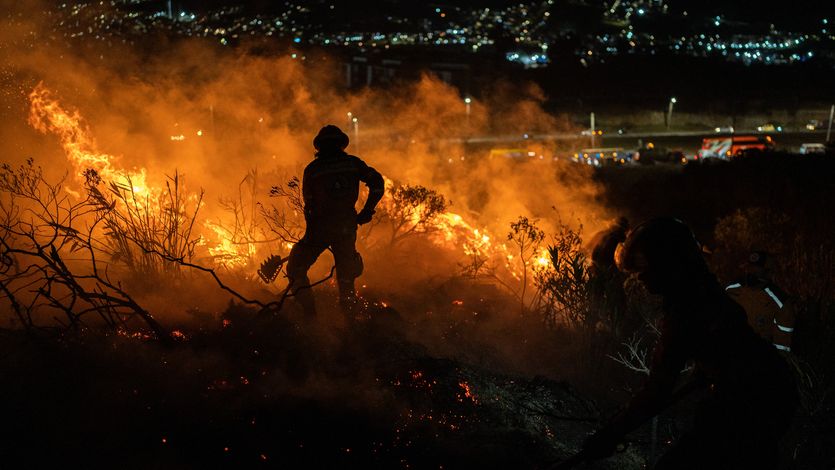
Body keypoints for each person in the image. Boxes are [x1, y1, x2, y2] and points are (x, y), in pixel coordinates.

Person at [582, 217, 797, 469]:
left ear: (668, 263)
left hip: (755, 402)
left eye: (645, 266)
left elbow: (657, 390)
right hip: (766, 392)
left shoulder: (687, 310)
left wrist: (611, 434)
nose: (640, 276)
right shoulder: (703, 289)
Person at [286, 125, 384, 317]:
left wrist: (311, 237)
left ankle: (309, 315)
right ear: (341, 145)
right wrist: (366, 211)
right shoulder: (352, 164)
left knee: (295, 268)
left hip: (320, 230)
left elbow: (310, 206)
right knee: (346, 279)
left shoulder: (313, 170)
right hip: (347, 228)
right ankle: (350, 323)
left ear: (319, 147)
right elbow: (377, 183)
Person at [725, 251, 795, 352]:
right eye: (750, 268)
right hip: (728, 350)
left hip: (756, 356)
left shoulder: (780, 302)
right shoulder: (731, 289)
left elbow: (782, 345)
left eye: (757, 270)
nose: (751, 272)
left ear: (768, 273)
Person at [587, 217, 630, 335]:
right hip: (608, 271)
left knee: (596, 299)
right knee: (618, 301)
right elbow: (624, 254)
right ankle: (617, 330)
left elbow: (587, 247)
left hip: (596, 271)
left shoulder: (601, 234)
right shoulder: (617, 236)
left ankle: (592, 328)